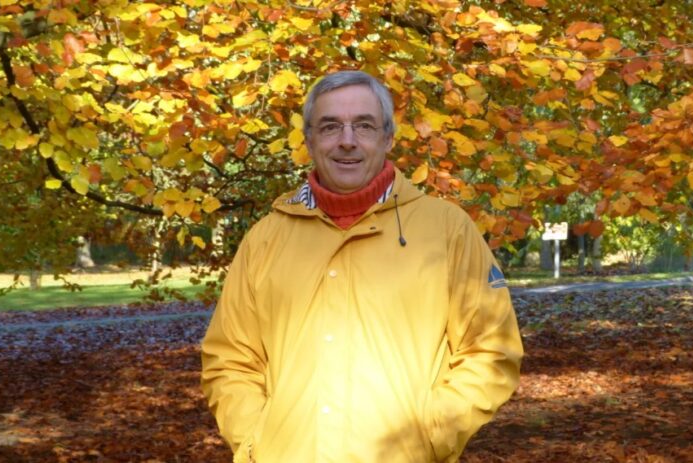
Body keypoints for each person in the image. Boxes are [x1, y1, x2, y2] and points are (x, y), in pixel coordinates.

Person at [201, 70, 523, 463]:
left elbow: (491, 349)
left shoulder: (447, 230)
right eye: (330, 126)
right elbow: (230, 359)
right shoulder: (265, 238)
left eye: (364, 126)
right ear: (309, 140)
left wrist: (432, 434)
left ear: (388, 137)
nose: (347, 141)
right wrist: (255, 441)